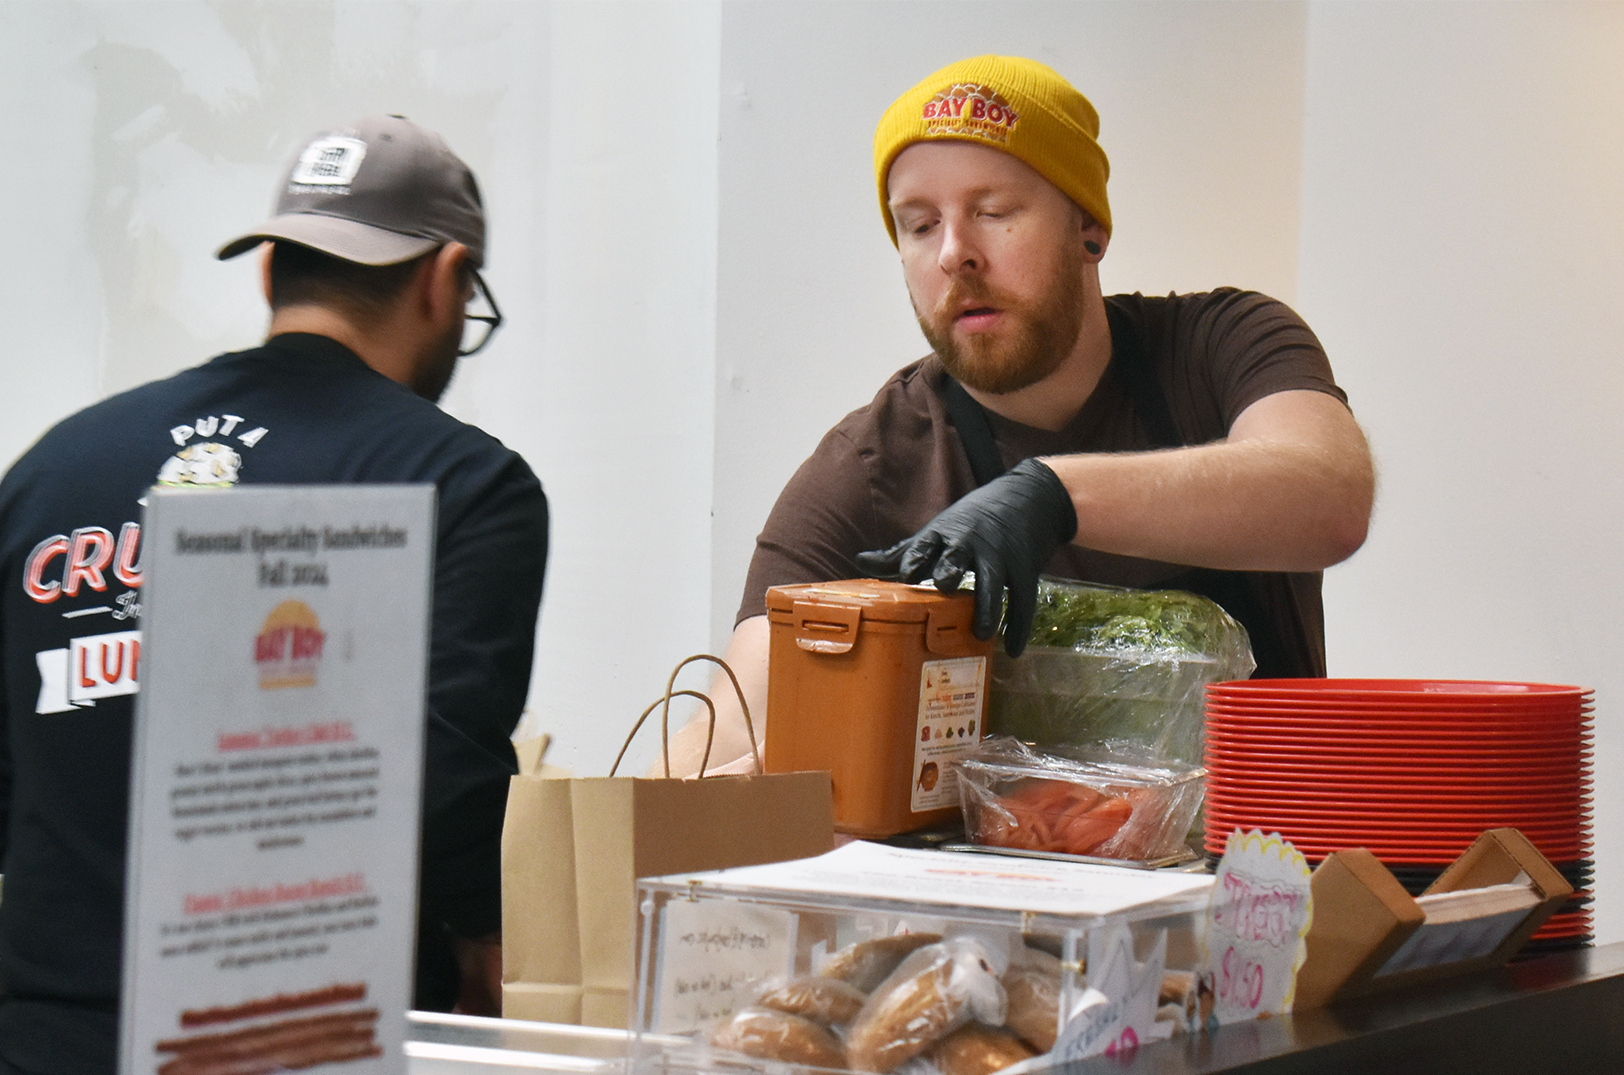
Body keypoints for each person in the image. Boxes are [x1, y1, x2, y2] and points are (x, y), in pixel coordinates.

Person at [0, 115, 548, 1073]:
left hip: (48, 1034)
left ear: (269, 271)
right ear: (445, 279)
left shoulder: (52, 469)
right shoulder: (463, 482)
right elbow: (448, 765)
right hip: (306, 1032)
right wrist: (483, 934)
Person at [667, 55, 1374, 776]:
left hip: (1255, 868)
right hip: (990, 879)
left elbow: (1331, 493)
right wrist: (649, 808)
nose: (953, 255)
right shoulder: (873, 465)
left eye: (992, 212)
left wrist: (1053, 496)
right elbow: (733, 715)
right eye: (918, 225)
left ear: (1089, 227)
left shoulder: (1221, 346)